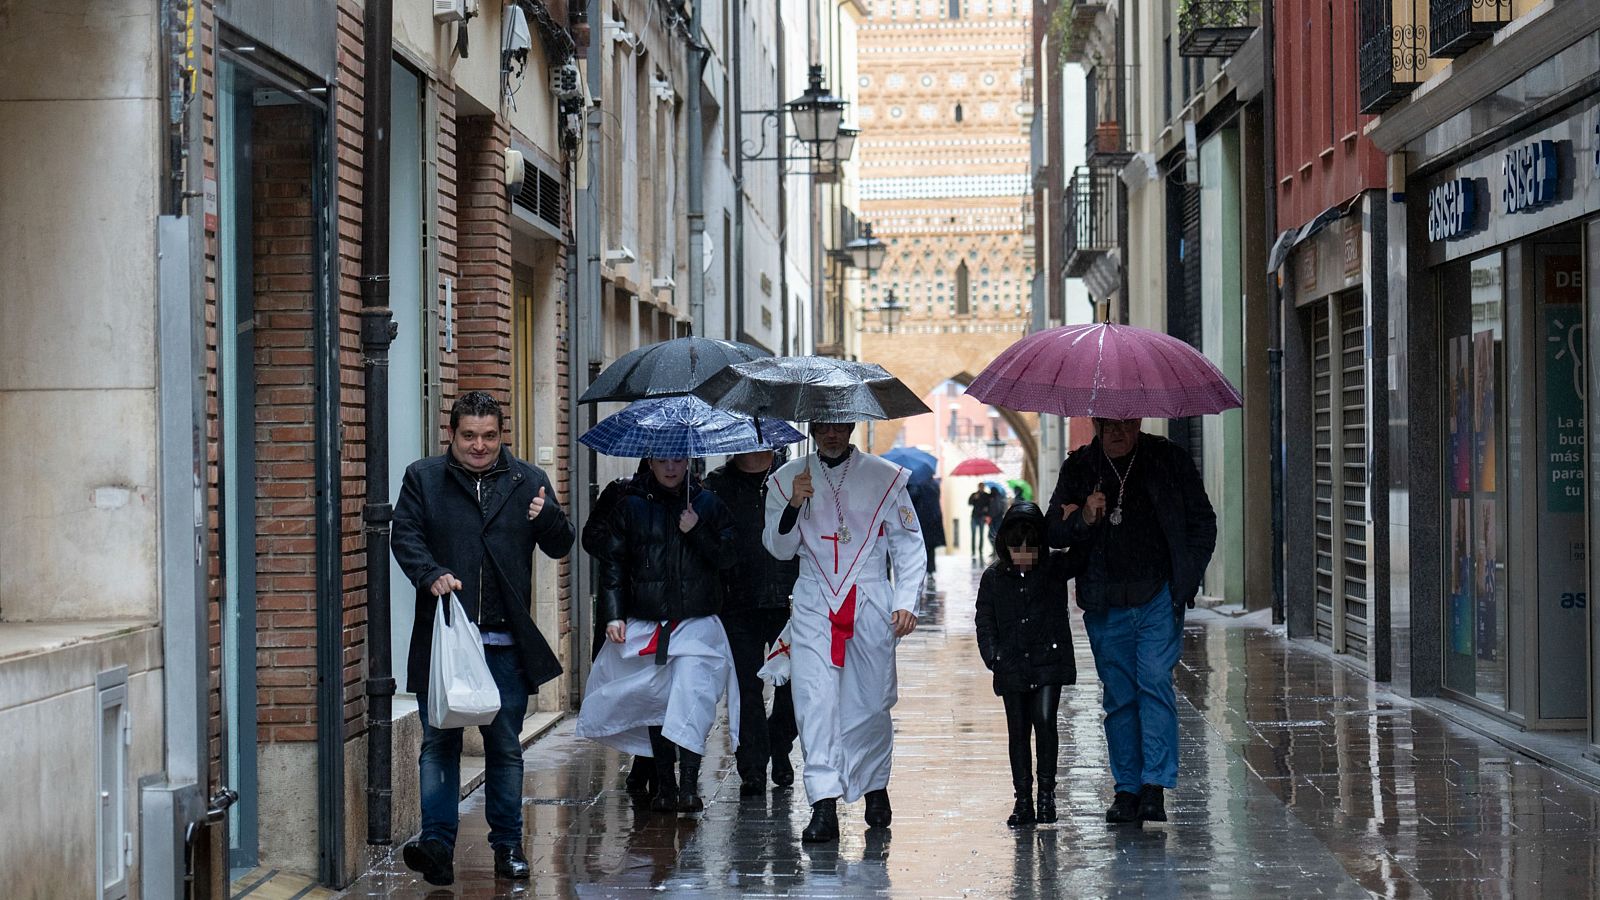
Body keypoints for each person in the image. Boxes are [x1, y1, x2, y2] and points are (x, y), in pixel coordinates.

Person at [391, 390, 574, 886]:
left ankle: (507, 847)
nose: (479, 446)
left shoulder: (527, 482)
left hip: (504, 643)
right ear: (452, 433)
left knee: (505, 746)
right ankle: (437, 846)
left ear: (501, 435)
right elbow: (404, 535)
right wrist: (430, 573)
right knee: (439, 742)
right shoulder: (423, 478)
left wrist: (549, 517)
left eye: (489, 436)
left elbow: (562, 545)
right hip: (445, 642)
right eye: (469, 436)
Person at [1045, 417, 1215, 826]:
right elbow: (1052, 529)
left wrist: (1185, 579)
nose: (1118, 433)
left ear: (1138, 421)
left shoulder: (1168, 459)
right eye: (1109, 426)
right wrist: (1083, 516)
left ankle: (1154, 785)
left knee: (1155, 682)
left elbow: (1202, 522)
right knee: (1119, 696)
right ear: (1096, 425)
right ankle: (1127, 789)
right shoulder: (1080, 467)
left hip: (1157, 594)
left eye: (1126, 424)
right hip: (1105, 601)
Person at [762, 421, 927, 842]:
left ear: (850, 426)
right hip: (815, 601)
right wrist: (795, 504)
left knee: (871, 702)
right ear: (813, 429)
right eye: (823, 427)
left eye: (838, 426)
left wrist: (906, 599)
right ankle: (823, 805)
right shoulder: (787, 478)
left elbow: (908, 543)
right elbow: (777, 549)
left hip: (870, 600)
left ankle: (874, 785)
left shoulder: (884, 476)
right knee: (814, 703)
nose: (831, 434)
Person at [577, 457, 739, 814]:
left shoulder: (708, 504)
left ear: (688, 460)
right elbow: (614, 564)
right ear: (650, 460)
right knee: (657, 700)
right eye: (662, 459)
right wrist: (615, 615)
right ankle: (665, 785)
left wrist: (696, 530)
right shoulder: (630, 505)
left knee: (693, 697)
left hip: (697, 624)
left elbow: (729, 558)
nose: (670, 468)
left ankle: (688, 786)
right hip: (647, 622)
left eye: (677, 459)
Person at [974, 502, 1076, 827]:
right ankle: (1023, 800)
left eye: (1030, 549)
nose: (1023, 557)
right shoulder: (994, 578)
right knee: (1018, 731)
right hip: (1012, 663)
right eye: (1016, 549)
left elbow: (1084, 551)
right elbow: (984, 620)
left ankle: (1046, 796)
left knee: (1045, 720)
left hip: (1049, 659)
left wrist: (1079, 518)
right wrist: (994, 656)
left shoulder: (1053, 569)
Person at [705, 450, 801, 795]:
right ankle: (753, 765)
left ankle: (780, 745)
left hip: (787, 602)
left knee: (792, 687)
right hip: (737, 602)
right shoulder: (714, 486)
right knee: (745, 688)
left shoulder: (793, 478)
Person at [579, 459, 655, 795]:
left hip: (665, 613)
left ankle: (650, 769)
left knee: (661, 692)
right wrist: (623, 538)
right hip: (625, 605)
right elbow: (591, 538)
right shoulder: (620, 492)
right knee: (634, 689)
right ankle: (643, 764)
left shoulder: (691, 497)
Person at [907, 476, 947, 594]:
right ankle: (930, 572)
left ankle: (922, 573)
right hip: (933, 520)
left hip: (922, 521)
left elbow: (911, 497)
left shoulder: (917, 485)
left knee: (920, 549)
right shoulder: (934, 484)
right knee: (930, 549)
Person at [967, 485, 992, 561]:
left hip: (982, 517)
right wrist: (974, 498)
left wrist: (986, 512)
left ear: (983, 487)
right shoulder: (974, 494)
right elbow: (969, 503)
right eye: (980, 486)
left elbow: (989, 505)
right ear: (978, 487)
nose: (981, 488)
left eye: (982, 487)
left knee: (981, 535)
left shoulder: (986, 495)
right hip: (974, 517)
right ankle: (973, 552)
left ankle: (980, 551)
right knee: (973, 535)